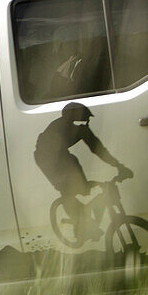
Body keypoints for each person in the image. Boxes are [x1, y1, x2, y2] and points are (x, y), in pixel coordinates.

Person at [34, 102, 133, 242]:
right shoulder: (58, 129)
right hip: (46, 158)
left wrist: (119, 166)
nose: (86, 124)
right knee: (69, 189)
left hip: (62, 156)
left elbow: (97, 149)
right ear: (73, 119)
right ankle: (79, 226)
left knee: (79, 181)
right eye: (85, 120)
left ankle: (84, 215)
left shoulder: (78, 128)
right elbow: (58, 162)